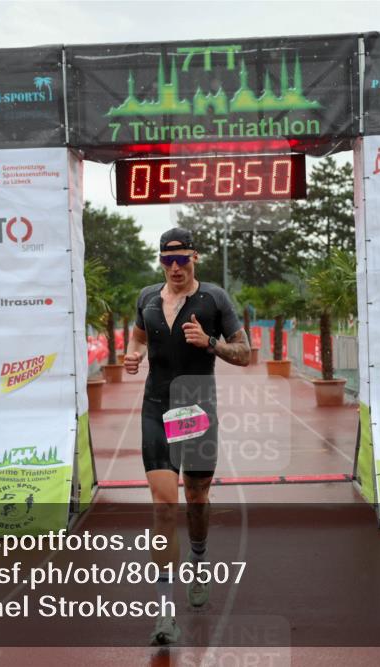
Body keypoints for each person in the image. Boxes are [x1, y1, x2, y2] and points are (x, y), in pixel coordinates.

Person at [123, 228, 250, 645]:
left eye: (182, 259)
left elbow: (245, 353)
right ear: (160, 261)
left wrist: (210, 342)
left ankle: (198, 558)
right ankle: (164, 614)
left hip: (195, 406)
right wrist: (133, 354)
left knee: (196, 499)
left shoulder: (214, 298)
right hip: (157, 406)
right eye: (167, 260)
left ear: (195, 257)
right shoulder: (146, 298)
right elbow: (140, 335)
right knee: (163, 505)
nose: (175, 267)